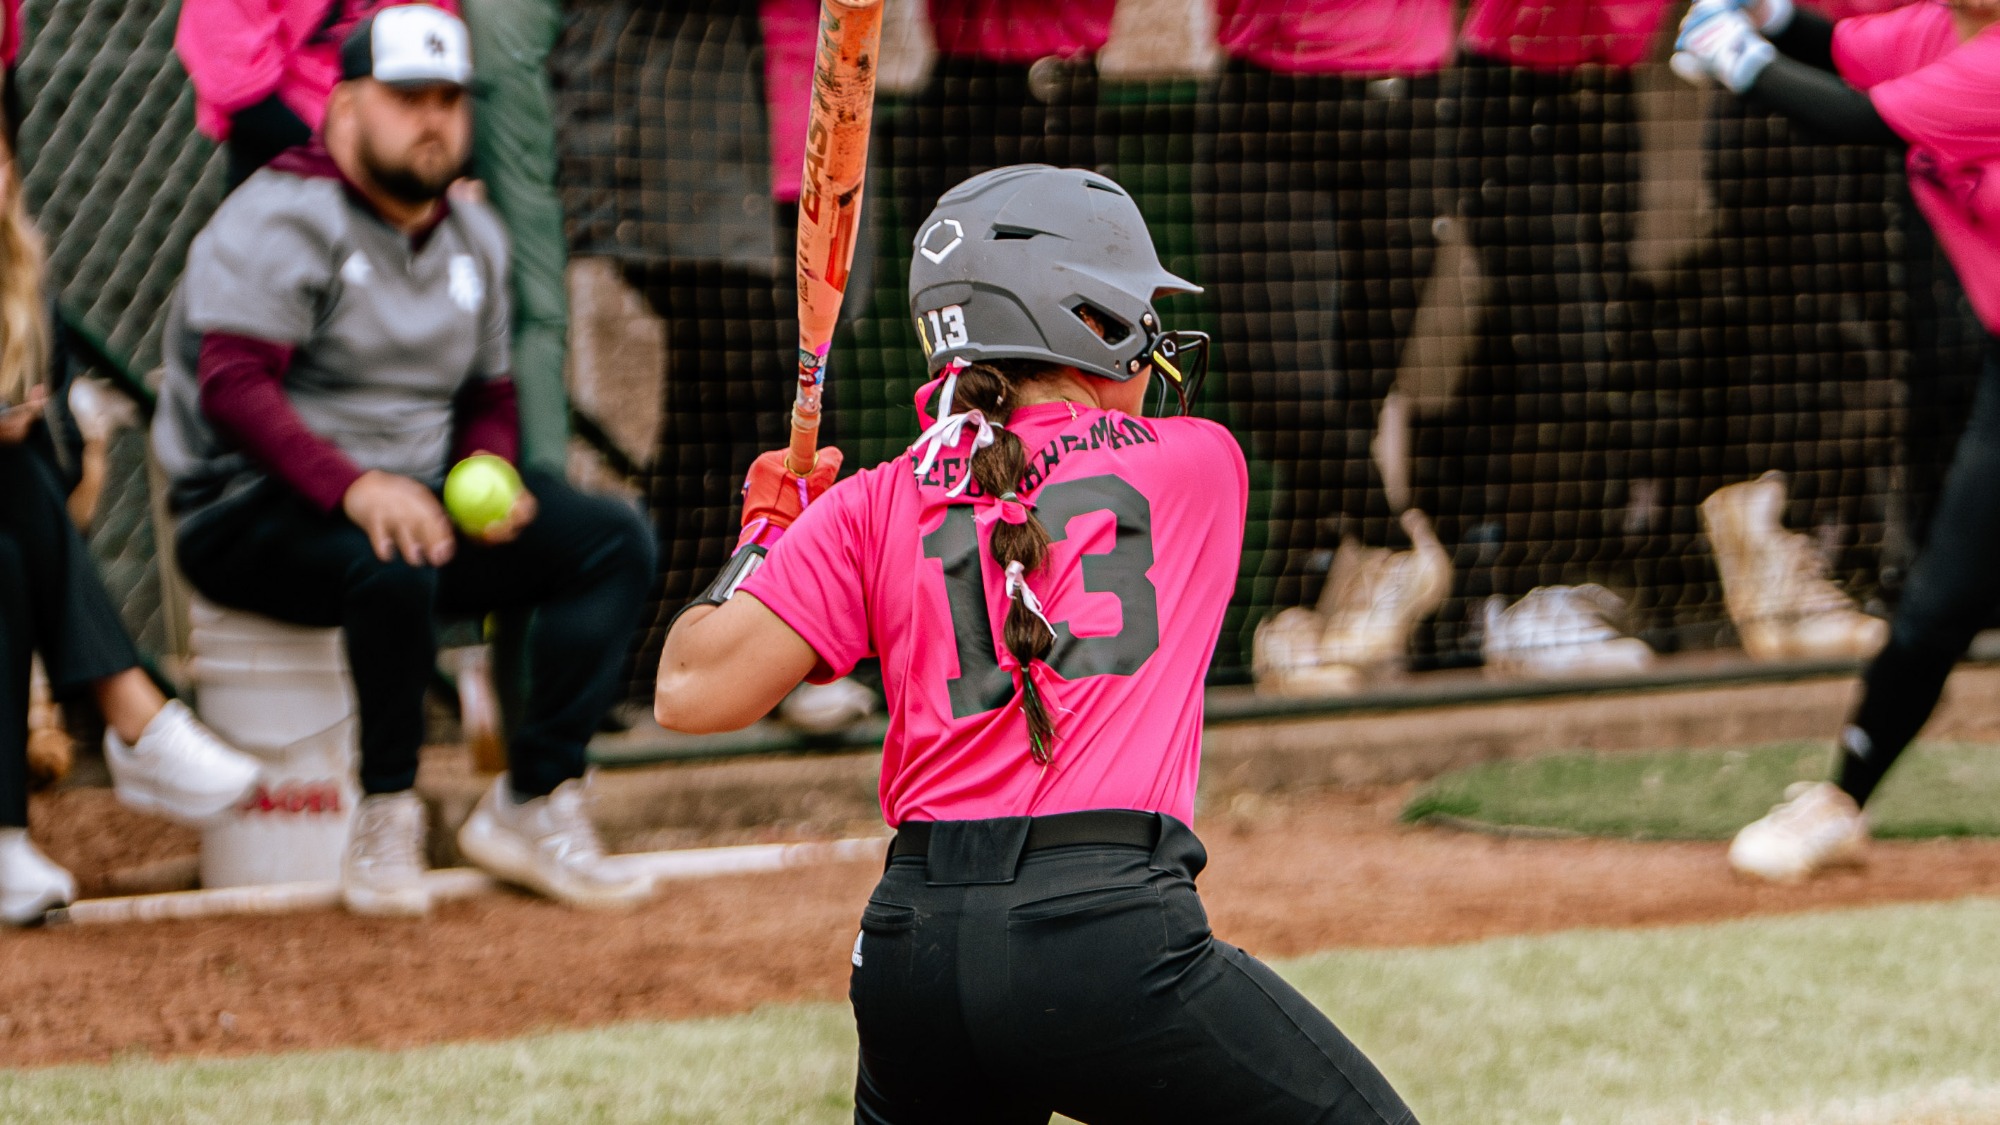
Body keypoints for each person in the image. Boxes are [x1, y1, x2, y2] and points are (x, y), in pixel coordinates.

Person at [655, 166, 1417, 1124]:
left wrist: (767, 537)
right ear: (1085, 318)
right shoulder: (1203, 467)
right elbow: (1058, 476)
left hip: (911, 952)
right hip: (1109, 944)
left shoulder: (871, 501)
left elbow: (688, 690)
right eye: (1136, 315)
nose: (1151, 343)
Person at [152, 6, 656, 916]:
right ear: (344, 107)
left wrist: (491, 474)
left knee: (609, 539)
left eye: (449, 101)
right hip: (247, 511)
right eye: (407, 98)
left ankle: (534, 798)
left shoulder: (474, 235)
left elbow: (490, 397)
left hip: (409, 507)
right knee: (393, 552)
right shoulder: (278, 211)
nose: (433, 121)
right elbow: (233, 388)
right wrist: (358, 489)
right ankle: (385, 812)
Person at [1672, 0, 2000, 880]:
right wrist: (1772, 16)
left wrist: (1734, 55)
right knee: (1936, 605)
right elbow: (1843, 53)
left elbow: (1858, 119)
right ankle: (1842, 803)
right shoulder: (1940, 29)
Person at [1, 2, 262, 927]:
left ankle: (3, 843)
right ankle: (134, 716)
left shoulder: (17, 275)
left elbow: (64, 494)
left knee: (9, 513)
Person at [175, 0, 461, 190]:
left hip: (392, 149)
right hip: (283, 151)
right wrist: (347, 161)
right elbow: (238, 89)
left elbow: (439, 58)